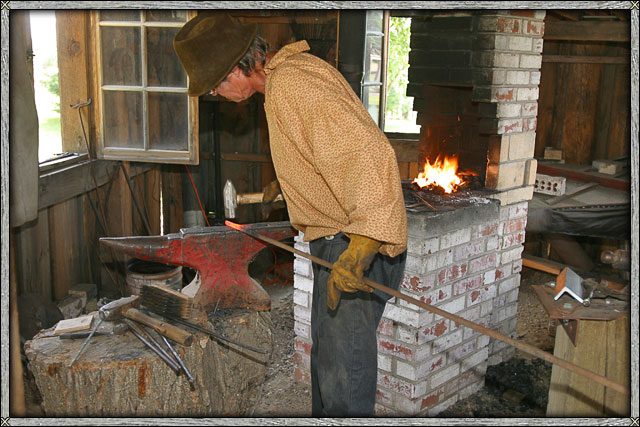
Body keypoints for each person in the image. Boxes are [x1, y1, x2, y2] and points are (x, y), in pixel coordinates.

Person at [174, 12, 408, 417]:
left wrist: (362, 247)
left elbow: (368, 156)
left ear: (236, 68)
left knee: (345, 385)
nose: (216, 93)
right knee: (328, 368)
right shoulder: (287, 81)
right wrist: (291, 186)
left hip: (352, 246)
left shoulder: (294, 85)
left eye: (215, 85)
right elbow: (328, 153)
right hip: (337, 241)